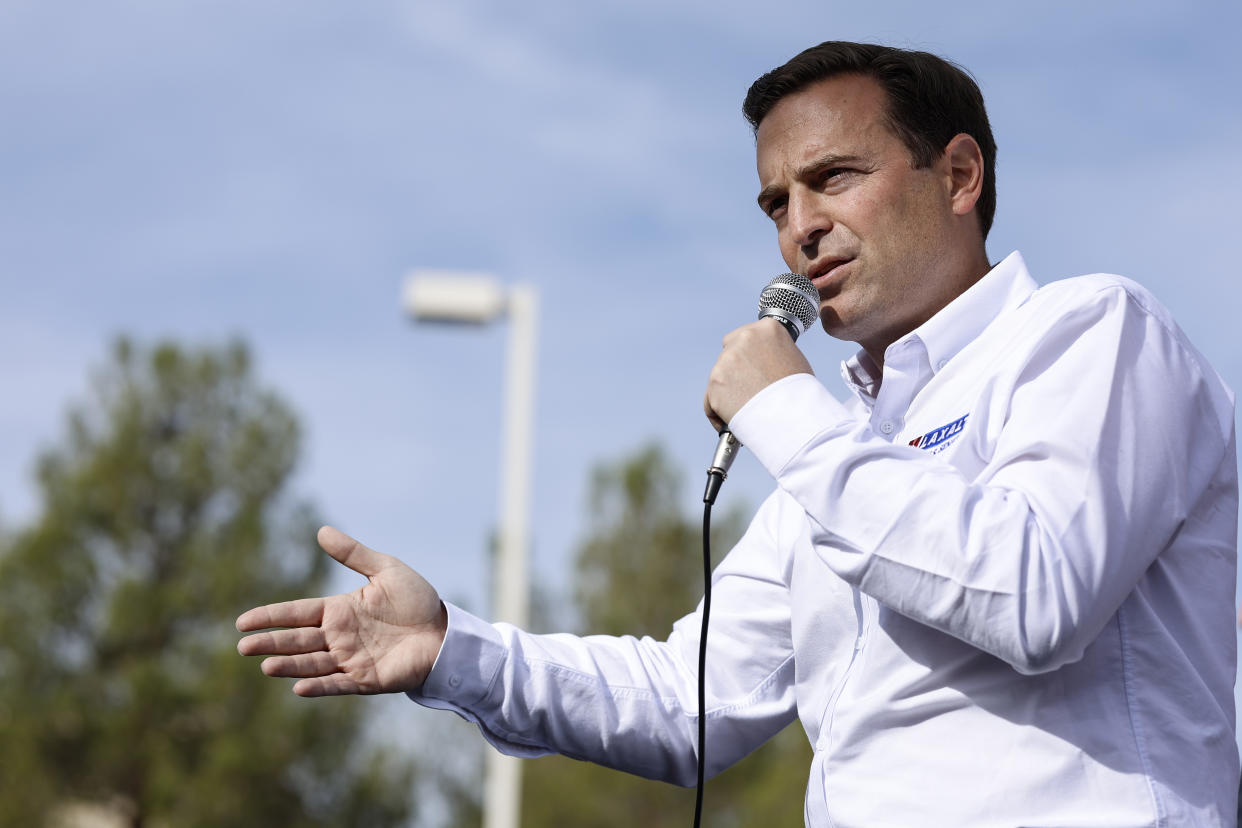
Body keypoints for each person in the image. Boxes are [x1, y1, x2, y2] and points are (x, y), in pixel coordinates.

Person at [237, 41, 1238, 825]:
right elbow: (690, 697)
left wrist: (783, 409)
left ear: (960, 174)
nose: (799, 229)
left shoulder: (1091, 332)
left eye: (834, 177)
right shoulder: (844, 449)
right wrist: (450, 651)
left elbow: (1036, 593)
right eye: (776, 202)